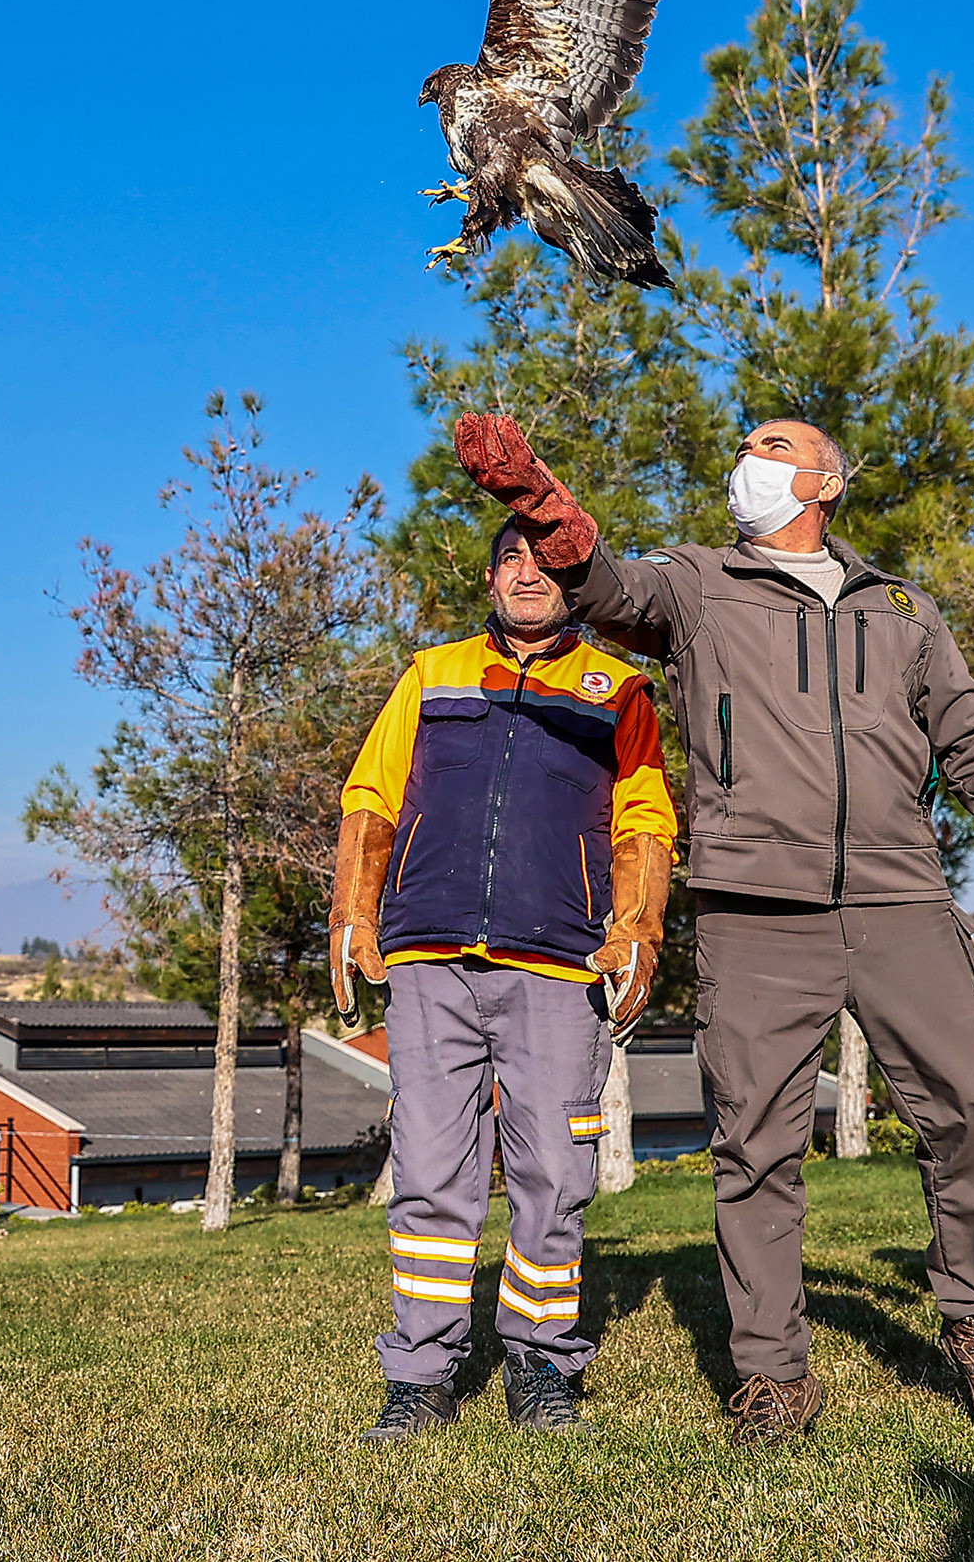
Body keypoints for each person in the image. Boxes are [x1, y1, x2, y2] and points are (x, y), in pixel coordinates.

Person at [456, 412, 974, 1444]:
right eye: (743, 444)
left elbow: (969, 731)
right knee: (752, 1145)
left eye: (772, 445)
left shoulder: (902, 609)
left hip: (899, 899)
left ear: (827, 480)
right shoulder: (698, 582)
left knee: (967, 1115)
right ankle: (770, 1373)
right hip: (754, 908)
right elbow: (606, 591)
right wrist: (538, 501)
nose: (745, 458)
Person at [332, 523, 674, 1442]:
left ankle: (538, 1362)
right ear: (490, 577)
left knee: (553, 1172)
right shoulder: (431, 672)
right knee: (431, 1172)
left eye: (549, 561)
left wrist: (637, 925)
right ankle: (422, 1375)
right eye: (512, 560)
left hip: (560, 961)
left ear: (577, 580)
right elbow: (371, 795)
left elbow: (646, 819)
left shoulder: (616, 691)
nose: (529, 574)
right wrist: (354, 909)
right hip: (428, 955)